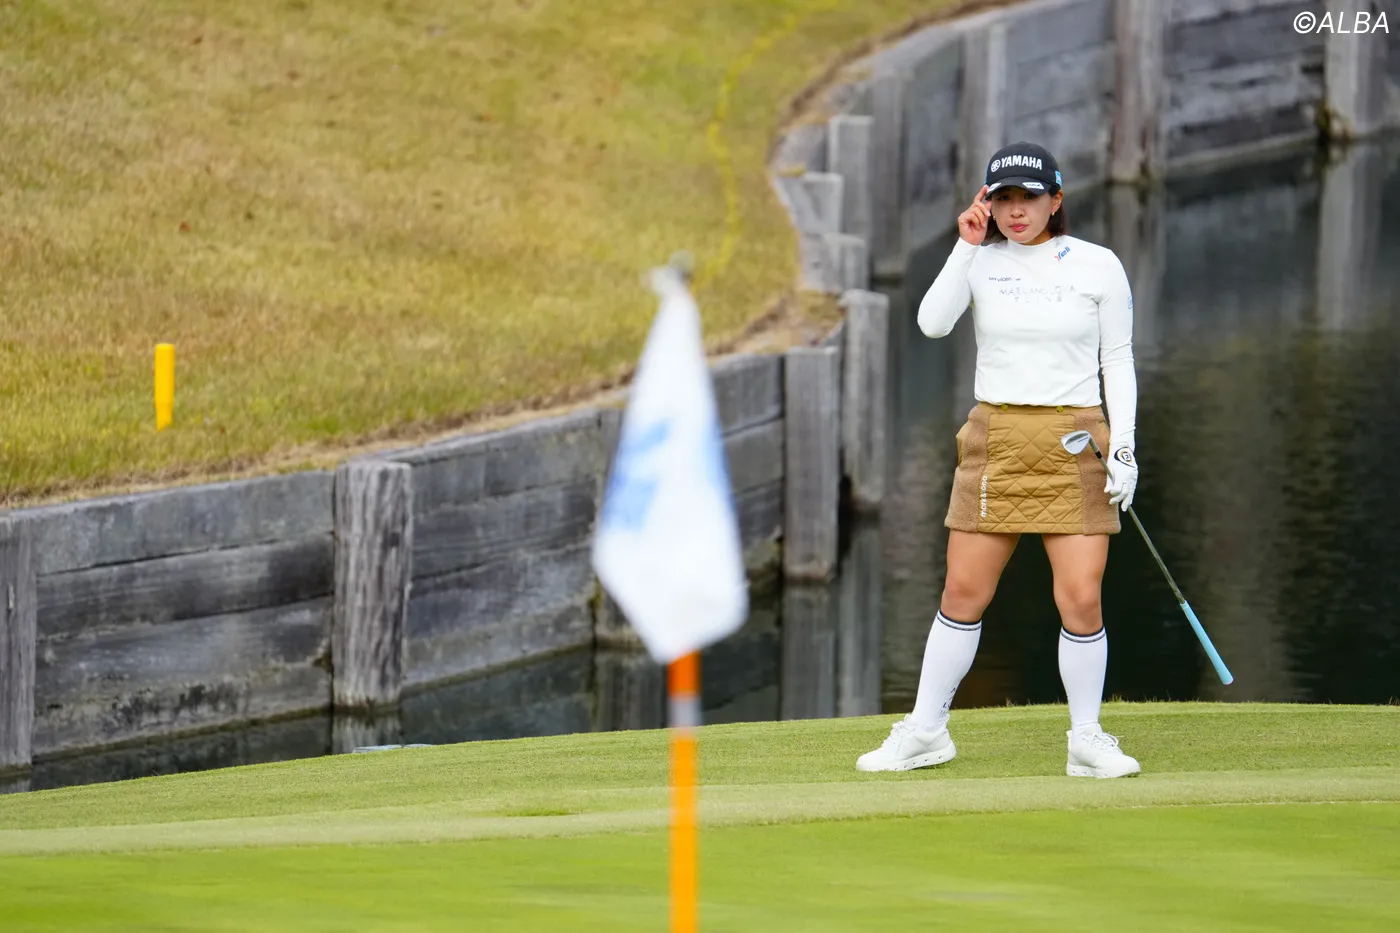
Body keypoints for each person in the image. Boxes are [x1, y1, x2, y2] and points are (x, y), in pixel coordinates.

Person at [856, 141, 1142, 779]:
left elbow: (1117, 361)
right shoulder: (979, 262)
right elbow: (932, 324)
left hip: (1076, 440)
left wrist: (1124, 447)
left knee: (1080, 596)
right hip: (998, 437)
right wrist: (963, 246)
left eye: (1029, 198)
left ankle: (1087, 739)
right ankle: (925, 732)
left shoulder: (1097, 266)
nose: (1016, 211)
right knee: (963, 591)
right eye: (1003, 198)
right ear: (986, 203)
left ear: (1055, 201)